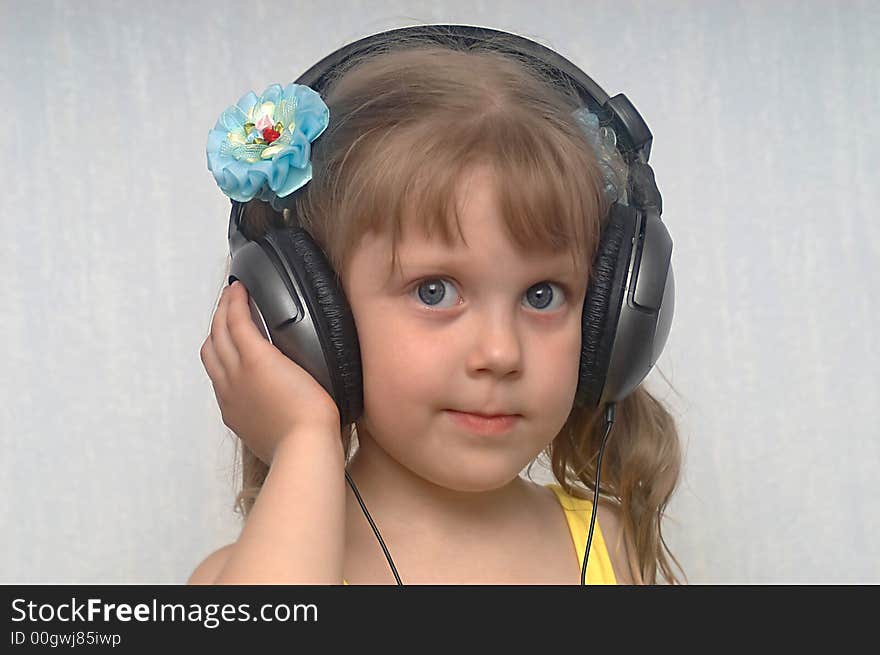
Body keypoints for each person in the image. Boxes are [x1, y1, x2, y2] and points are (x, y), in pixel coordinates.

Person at [189, 32, 684, 585]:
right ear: (310, 327)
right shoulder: (240, 579)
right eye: (434, 291)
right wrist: (304, 440)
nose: (500, 352)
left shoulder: (611, 548)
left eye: (542, 295)